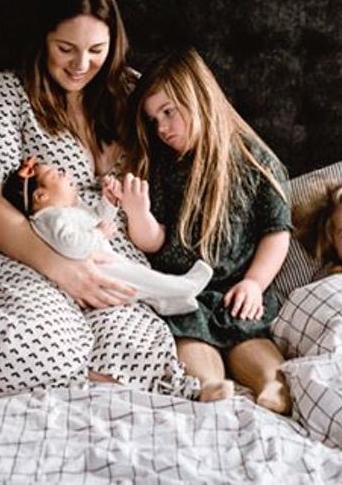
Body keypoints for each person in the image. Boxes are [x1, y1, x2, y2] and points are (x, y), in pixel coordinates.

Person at [0, 0, 200, 400]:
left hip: (101, 252)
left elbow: (205, 129)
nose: (81, 64)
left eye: (96, 51)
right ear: (44, 39)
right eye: (66, 49)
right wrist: (61, 269)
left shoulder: (131, 93)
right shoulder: (9, 93)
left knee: (142, 348)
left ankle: (74, 384)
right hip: (14, 244)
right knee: (43, 346)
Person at [126, 47, 293, 413]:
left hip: (238, 289)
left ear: (199, 97)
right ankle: (211, 386)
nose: (162, 128)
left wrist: (255, 283)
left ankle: (271, 384)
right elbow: (157, 241)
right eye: (154, 120)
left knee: (250, 337)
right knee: (189, 342)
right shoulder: (163, 168)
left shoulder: (253, 160)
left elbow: (276, 230)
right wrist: (138, 214)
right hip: (186, 293)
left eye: (168, 113)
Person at [2, 156, 214, 316]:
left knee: (139, 280)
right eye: (57, 174)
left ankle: (168, 300)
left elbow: (95, 219)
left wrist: (109, 202)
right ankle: (186, 287)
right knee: (141, 278)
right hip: (95, 269)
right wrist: (98, 234)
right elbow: (70, 244)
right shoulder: (51, 218)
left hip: (103, 262)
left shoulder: (68, 211)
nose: (65, 172)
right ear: (41, 196)